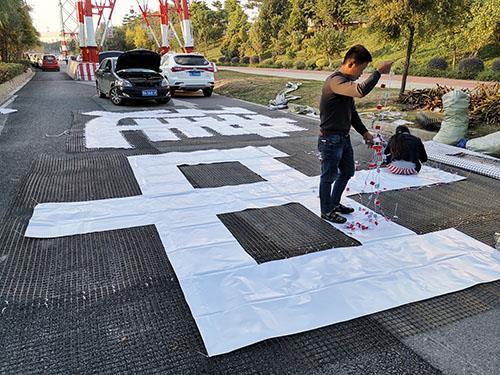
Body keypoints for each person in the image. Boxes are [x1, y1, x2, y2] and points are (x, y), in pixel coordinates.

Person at [318, 45, 392, 224]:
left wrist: (365, 133)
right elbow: (360, 91)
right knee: (328, 175)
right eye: (362, 69)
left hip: (343, 138)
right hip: (330, 139)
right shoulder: (335, 81)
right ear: (352, 64)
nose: (361, 74)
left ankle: (334, 203)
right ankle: (326, 210)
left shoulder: (344, 85)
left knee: (347, 171)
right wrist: (377, 73)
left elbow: (351, 112)